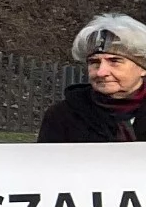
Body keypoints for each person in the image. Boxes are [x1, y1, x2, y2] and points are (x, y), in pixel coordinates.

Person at [38, 14, 146, 142]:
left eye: (114, 61)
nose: (101, 72)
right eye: (94, 62)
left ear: (142, 68)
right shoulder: (62, 116)